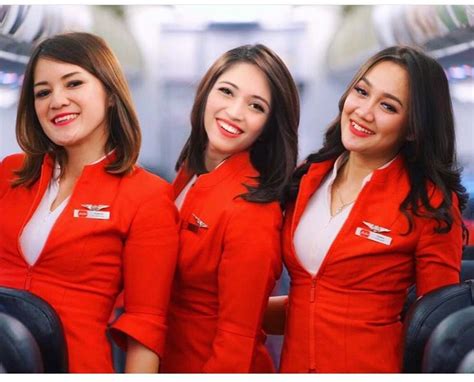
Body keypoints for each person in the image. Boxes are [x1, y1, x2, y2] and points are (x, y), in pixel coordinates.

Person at [265, 45, 467, 372]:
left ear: (413, 128)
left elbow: (437, 325)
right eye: (361, 91)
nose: (364, 111)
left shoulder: (429, 204)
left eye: (387, 106)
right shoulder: (307, 178)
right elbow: (311, 302)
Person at [0, 32, 179, 373]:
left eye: (73, 83)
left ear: (110, 94)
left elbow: (146, 325)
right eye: (43, 92)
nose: (57, 100)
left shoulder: (146, 196)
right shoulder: (10, 172)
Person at [160, 44, 299, 373]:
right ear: (207, 92)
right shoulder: (189, 173)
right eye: (226, 91)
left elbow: (237, 339)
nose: (235, 112)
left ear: (268, 125)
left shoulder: (252, 210)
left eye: (256, 106)